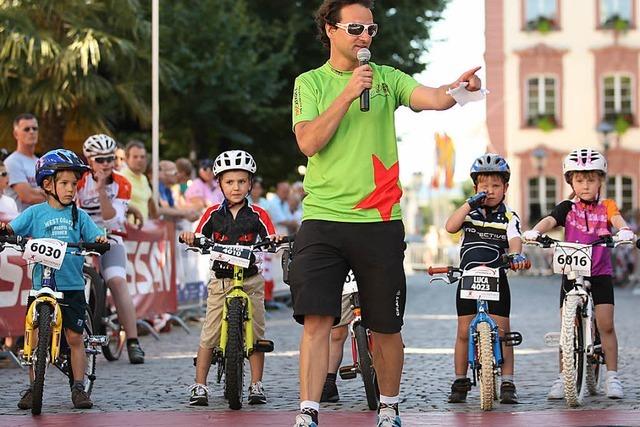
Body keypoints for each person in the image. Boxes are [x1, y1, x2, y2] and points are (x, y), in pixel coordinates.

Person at [290, 1, 484, 425]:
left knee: (386, 326)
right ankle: (307, 413)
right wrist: (346, 93)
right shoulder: (310, 83)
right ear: (330, 29)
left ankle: (389, 408)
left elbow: (431, 98)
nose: (365, 37)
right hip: (323, 218)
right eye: (356, 27)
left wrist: (456, 90)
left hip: (378, 221)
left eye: (371, 29)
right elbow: (308, 143)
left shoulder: (386, 78)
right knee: (318, 320)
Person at [523, 148, 635, 400]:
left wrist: (625, 230)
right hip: (571, 273)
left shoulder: (606, 206)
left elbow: (616, 220)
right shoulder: (567, 207)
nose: (585, 185)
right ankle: (564, 377)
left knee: (605, 324)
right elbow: (550, 220)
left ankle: (612, 376)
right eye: (580, 180)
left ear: (600, 181)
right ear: (571, 181)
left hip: (599, 272)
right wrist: (534, 231)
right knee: (567, 326)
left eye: (591, 179)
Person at [0, 149, 108, 410]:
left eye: (74, 184)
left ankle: (79, 387)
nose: (71, 189)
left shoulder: (78, 216)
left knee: (74, 338)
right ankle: (32, 387)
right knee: (35, 339)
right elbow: (12, 228)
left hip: (71, 287)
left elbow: (96, 234)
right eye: (64, 183)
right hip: (41, 287)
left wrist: (100, 240)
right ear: (48, 184)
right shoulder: (35, 213)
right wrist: (6, 232)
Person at [180, 150, 281, 406]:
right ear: (220, 184)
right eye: (229, 182)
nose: (236, 187)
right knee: (210, 331)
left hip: (250, 279)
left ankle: (256, 384)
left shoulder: (258, 214)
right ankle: (199, 384)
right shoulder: (213, 213)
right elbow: (198, 234)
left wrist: (274, 240)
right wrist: (191, 237)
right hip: (221, 279)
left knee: (256, 332)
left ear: (250, 184)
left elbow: (270, 235)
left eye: (241, 182)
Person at [444, 154, 528, 404]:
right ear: (475, 188)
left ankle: (508, 382)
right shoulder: (469, 213)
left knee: (503, 331)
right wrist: (470, 204)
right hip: (469, 278)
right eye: (484, 186)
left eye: (495, 186)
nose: (489, 191)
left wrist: (515, 255)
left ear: (505, 188)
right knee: (462, 331)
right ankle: (460, 380)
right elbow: (450, 226)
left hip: (496, 277)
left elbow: (514, 240)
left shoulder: (509, 216)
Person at [77, 134, 146, 364]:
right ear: (89, 160)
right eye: (100, 159)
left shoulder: (122, 183)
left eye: (110, 158)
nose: (106, 163)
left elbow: (110, 218)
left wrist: (100, 190)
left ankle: (134, 341)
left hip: (110, 236)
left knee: (116, 280)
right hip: (81, 237)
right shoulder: (77, 179)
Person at [4, 113, 45, 212]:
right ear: (16, 134)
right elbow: (28, 196)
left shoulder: (41, 162)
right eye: (26, 129)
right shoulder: (12, 162)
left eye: (35, 128)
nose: (31, 132)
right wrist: (54, 195)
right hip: (19, 224)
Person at [121, 140, 158, 222]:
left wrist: (156, 220)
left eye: (142, 157)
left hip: (143, 229)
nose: (139, 160)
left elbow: (150, 201)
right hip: (126, 230)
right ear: (126, 159)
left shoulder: (144, 178)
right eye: (135, 157)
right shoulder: (121, 177)